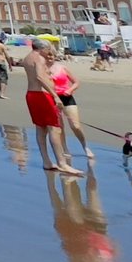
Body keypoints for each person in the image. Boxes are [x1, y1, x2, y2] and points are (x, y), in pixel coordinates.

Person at [21, 39, 83, 176]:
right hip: (42, 95)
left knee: (40, 128)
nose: (48, 52)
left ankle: (46, 161)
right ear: (41, 48)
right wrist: (54, 95)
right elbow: (40, 77)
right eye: (47, 49)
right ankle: (62, 163)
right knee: (54, 128)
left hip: (31, 94)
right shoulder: (39, 58)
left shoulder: (27, 58)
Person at [49, 49, 94, 159]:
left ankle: (85, 147)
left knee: (75, 125)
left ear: (55, 56)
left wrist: (70, 90)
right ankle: (65, 149)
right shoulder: (43, 69)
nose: (49, 57)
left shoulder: (62, 67)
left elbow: (76, 82)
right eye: (47, 55)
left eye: (52, 55)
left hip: (67, 97)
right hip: (53, 98)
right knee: (60, 127)